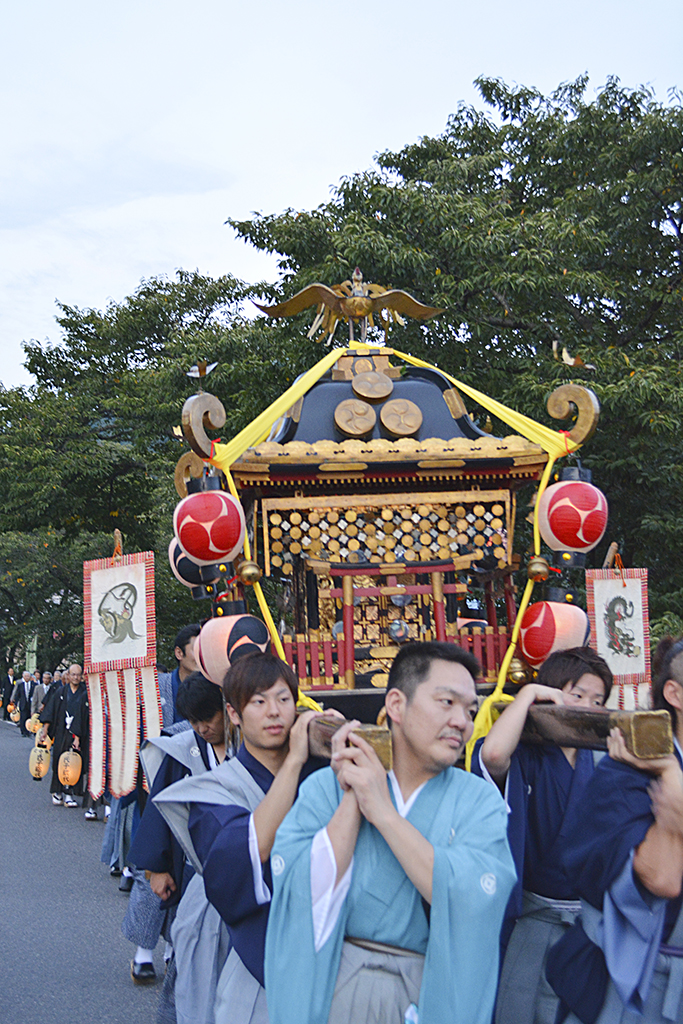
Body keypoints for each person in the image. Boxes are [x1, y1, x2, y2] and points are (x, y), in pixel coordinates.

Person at [265, 640, 516, 1024]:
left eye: (470, 710)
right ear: (397, 704)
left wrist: (383, 813)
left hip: (426, 991)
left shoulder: (479, 800)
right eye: (446, 702)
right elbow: (300, 887)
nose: (462, 722)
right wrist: (354, 794)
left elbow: (475, 896)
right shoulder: (325, 787)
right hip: (334, 980)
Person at [154, 652, 330, 1024]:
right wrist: (295, 761)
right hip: (251, 958)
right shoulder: (215, 791)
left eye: (283, 699)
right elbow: (245, 855)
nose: (274, 712)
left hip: (330, 954)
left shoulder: (322, 772)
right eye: (258, 701)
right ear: (234, 713)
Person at [472, 646, 612, 1024]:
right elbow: (494, 755)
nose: (586, 706)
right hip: (533, 915)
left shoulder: (602, 758)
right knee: (520, 1008)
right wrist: (529, 695)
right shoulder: (527, 754)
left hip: (590, 922)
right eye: (577, 694)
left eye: (598, 700)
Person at [546, 637, 683, 1024]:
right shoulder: (625, 768)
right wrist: (671, 780)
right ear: (674, 693)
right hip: (638, 980)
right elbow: (663, 879)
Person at [122, 671, 228, 1008]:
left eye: (208, 718)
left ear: (227, 710)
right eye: (195, 721)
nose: (202, 729)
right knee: (190, 938)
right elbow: (162, 807)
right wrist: (158, 866)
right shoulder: (184, 748)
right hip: (192, 860)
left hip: (235, 860)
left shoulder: (247, 743)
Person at [38, 663, 90, 807]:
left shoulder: (85, 693)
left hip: (79, 733)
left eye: (78, 675)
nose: (75, 677)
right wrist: (45, 730)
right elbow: (50, 711)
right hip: (62, 732)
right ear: (68, 675)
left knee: (76, 762)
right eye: (73, 674)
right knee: (59, 761)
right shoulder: (61, 692)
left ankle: (70, 793)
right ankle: (58, 791)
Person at [158, 624, 201, 726]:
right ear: (179, 653)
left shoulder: (215, 687)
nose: (201, 656)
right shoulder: (157, 686)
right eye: (196, 650)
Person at [11, 670, 36, 736]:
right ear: (23, 676)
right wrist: (15, 703)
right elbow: (17, 695)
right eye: (26, 676)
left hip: (31, 704)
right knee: (23, 718)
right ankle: (24, 731)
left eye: (28, 676)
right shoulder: (20, 685)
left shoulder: (34, 685)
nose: (27, 677)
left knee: (29, 718)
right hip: (23, 703)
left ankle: (29, 731)